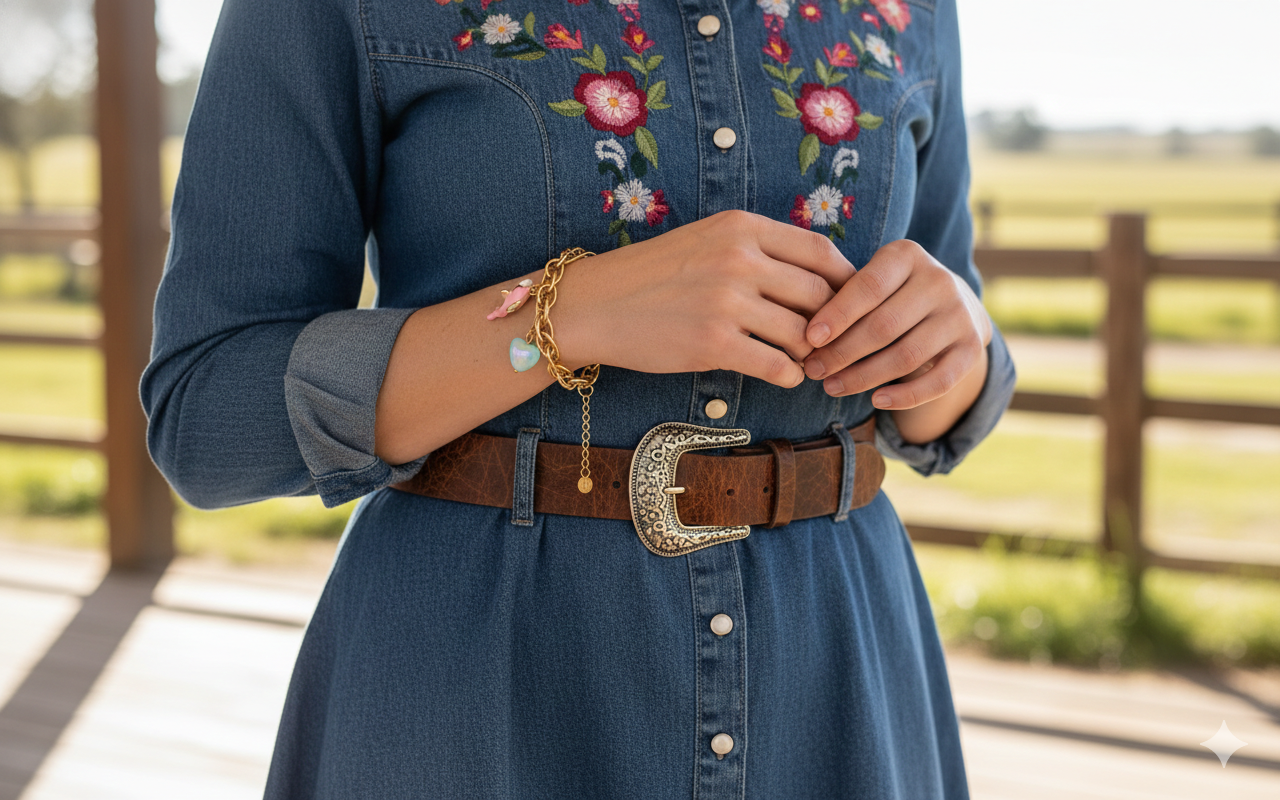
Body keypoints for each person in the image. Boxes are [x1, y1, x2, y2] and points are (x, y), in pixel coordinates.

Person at [142, 0, 1015, 796]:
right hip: (474, 692)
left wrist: (953, 340)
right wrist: (568, 314)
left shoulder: (915, 13)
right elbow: (211, 412)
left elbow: (942, 396)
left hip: (839, 675)